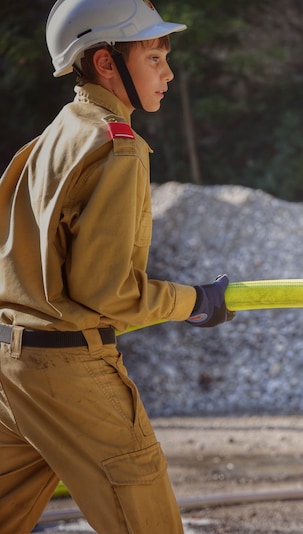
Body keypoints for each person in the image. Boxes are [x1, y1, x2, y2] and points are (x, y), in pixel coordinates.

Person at [0, 1, 234, 532]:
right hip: (70, 373)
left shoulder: (48, 140)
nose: (169, 73)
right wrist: (195, 301)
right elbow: (104, 292)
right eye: (154, 56)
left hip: (11, 369)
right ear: (106, 63)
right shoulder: (117, 146)